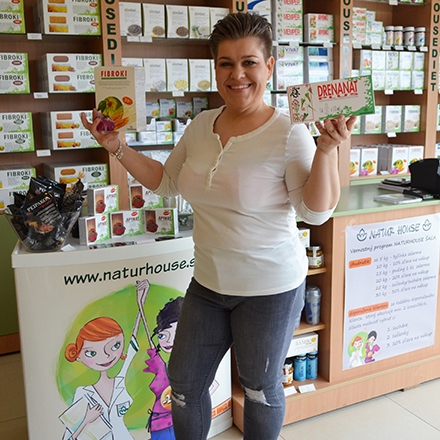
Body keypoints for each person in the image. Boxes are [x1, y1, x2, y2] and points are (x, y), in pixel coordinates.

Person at [81, 12, 356, 440]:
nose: (237, 74)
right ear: (215, 68)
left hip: (269, 287)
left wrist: (326, 151)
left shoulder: (290, 131)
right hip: (208, 283)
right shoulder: (200, 125)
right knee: (183, 385)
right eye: (226, 63)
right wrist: (118, 147)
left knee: (260, 389)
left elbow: (315, 211)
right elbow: (166, 182)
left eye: (249, 62)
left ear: (269, 66)